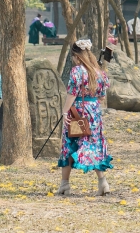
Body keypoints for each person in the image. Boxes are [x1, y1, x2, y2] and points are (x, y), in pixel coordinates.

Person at [57, 38, 112, 196]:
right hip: (94, 112)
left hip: (77, 112)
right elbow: (102, 96)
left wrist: (65, 111)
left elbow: (72, 94)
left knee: (69, 142)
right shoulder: (99, 72)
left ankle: (64, 184)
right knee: (93, 144)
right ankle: (103, 182)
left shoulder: (77, 72)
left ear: (76, 56)